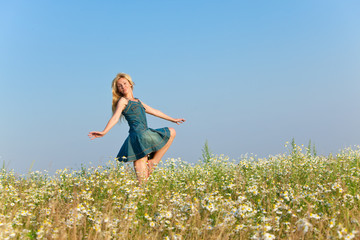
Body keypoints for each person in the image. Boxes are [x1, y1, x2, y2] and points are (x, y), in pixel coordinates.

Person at [88, 73, 185, 183]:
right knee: (143, 182)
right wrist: (104, 132)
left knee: (171, 132)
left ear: (130, 84)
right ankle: (142, 192)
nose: (123, 87)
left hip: (146, 133)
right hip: (137, 137)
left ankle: (153, 162)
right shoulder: (123, 101)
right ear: (118, 90)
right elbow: (115, 118)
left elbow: (155, 111)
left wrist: (173, 119)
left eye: (124, 83)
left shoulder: (138, 101)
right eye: (120, 86)